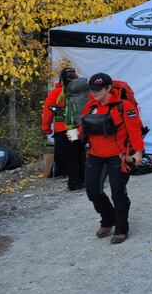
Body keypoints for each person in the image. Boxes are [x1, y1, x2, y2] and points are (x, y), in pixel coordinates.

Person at [81, 73, 144, 244]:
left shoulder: (124, 106)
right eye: (92, 89)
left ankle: (121, 227)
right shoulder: (89, 107)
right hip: (95, 155)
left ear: (109, 88)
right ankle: (108, 219)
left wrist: (138, 152)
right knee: (92, 191)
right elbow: (84, 129)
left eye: (98, 90)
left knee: (118, 193)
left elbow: (134, 130)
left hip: (119, 156)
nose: (94, 93)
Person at [41, 67, 84, 190]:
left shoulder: (56, 93)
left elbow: (47, 112)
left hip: (63, 129)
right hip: (77, 129)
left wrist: (46, 128)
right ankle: (83, 180)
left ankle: (75, 183)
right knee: (79, 153)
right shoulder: (80, 91)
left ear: (61, 79)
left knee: (70, 157)